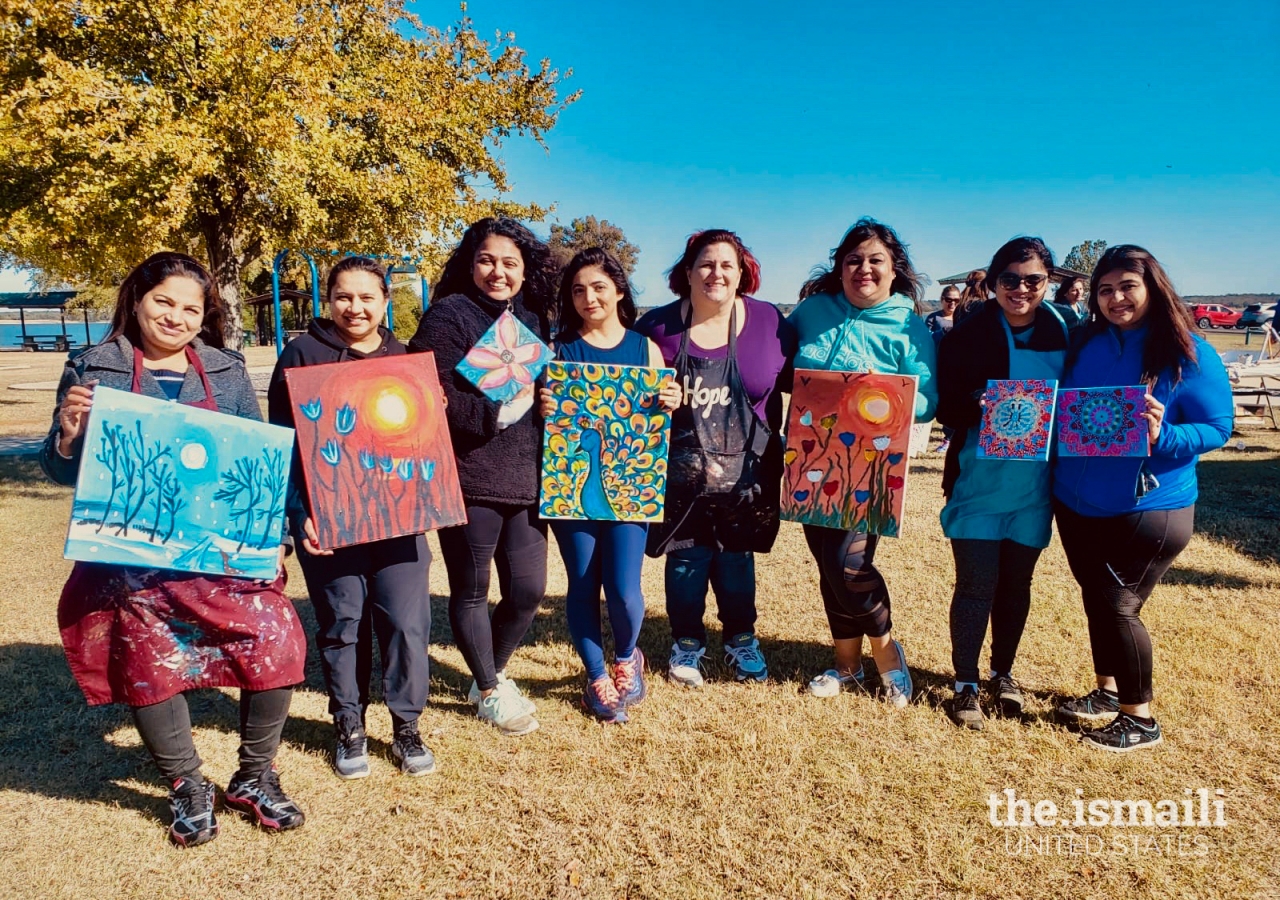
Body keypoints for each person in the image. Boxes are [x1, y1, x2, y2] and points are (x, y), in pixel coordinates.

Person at [40, 252, 305, 847]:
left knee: (277, 638)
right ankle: (187, 784)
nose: (177, 316)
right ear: (137, 300)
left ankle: (256, 776)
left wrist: (275, 536)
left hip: (220, 554)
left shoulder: (227, 370)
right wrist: (67, 434)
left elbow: (259, 460)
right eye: (164, 302)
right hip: (132, 557)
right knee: (148, 662)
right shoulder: (91, 367)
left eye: (191, 308)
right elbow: (60, 472)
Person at [1053, 245, 1232, 751]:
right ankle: (1107, 693)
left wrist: (1167, 435)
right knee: (1097, 599)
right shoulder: (1085, 341)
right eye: (1104, 290)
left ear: (1153, 287)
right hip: (1076, 499)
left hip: (1149, 506)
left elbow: (1219, 427)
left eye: (1127, 286)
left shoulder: (1187, 349)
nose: (1115, 298)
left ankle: (1140, 719)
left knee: (1118, 606)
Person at [267, 256, 434, 778]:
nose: (354, 307)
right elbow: (283, 443)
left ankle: (406, 725)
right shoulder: (301, 353)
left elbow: (422, 445)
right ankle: (350, 725)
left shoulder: (407, 357)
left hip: (400, 521)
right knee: (344, 625)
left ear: (386, 302)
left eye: (367, 297)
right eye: (343, 296)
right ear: (328, 300)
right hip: (330, 522)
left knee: (408, 624)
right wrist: (300, 514)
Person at [408, 218, 556, 736]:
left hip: (526, 478)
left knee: (529, 589)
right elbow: (429, 393)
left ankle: (485, 670)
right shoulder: (448, 315)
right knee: (471, 590)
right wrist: (494, 414)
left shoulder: (533, 320)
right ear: (471, 264)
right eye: (487, 260)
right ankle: (491, 689)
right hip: (468, 476)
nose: (498, 271)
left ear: (524, 270)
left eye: (509, 262)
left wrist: (545, 403)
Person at [635, 229, 795, 686]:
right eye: (706, 264)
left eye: (727, 264)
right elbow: (627, 394)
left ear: (742, 272)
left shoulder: (770, 323)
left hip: (748, 472)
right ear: (687, 273)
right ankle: (687, 643)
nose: (716, 273)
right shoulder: (658, 329)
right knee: (686, 561)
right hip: (679, 473)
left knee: (736, 560)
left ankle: (741, 639)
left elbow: (806, 383)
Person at [788, 218, 937, 707]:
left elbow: (928, 399)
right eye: (853, 260)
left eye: (876, 260)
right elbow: (778, 364)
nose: (864, 269)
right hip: (811, 458)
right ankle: (846, 667)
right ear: (840, 267)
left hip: (870, 465)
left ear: (895, 271)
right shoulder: (812, 312)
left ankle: (888, 654)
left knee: (848, 565)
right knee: (827, 567)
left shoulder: (908, 323)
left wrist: (887, 391)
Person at [538, 248, 682, 722]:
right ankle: (597, 675)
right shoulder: (558, 350)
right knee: (581, 584)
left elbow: (662, 413)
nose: (588, 297)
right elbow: (540, 421)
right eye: (578, 290)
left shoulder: (645, 348)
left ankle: (626, 658)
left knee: (622, 587)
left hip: (631, 486)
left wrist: (670, 397)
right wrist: (542, 408)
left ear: (619, 290)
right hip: (569, 488)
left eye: (598, 287)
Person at [936, 237, 1073, 730]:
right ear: (993, 282)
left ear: (1048, 282)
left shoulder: (1067, 329)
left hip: (1036, 488)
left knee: (1017, 585)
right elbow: (943, 408)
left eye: (1033, 279)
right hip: (978, 484)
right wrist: (978, 405)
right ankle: (966, 682)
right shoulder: (966, 336)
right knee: (975, 585)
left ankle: (1004, 673)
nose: (1021, 288)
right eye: (1009, 279)